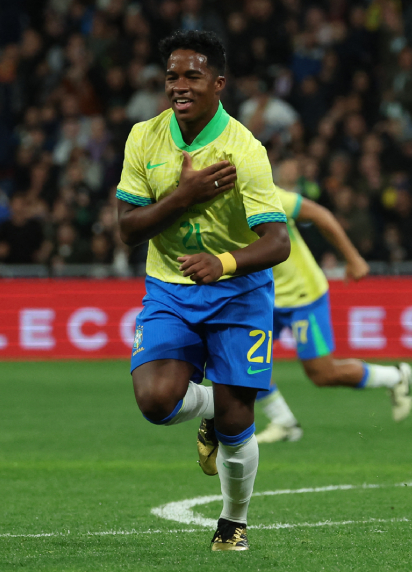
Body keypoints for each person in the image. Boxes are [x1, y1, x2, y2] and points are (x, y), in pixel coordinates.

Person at [115, 31, 289, 552]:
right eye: (171, 76)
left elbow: (277, 242)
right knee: (154, 401)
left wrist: (225, 262)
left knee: (240, 423)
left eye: (192, 75)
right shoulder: (144, 138)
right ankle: (215, 406)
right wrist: (184, 195)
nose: (178, 86)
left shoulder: (244, 149)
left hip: (238, 292)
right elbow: (127, 227)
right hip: (170, 286)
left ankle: (232, 524)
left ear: (218, 83)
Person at [253, 187, 412, 444]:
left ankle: (395, 376)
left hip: (301, 295)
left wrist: (352, 258)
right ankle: (283, 422)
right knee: (245, 359)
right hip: (260, 298)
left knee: (322, 374)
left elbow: (319, 214)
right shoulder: (211, 210)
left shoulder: (264, 194)